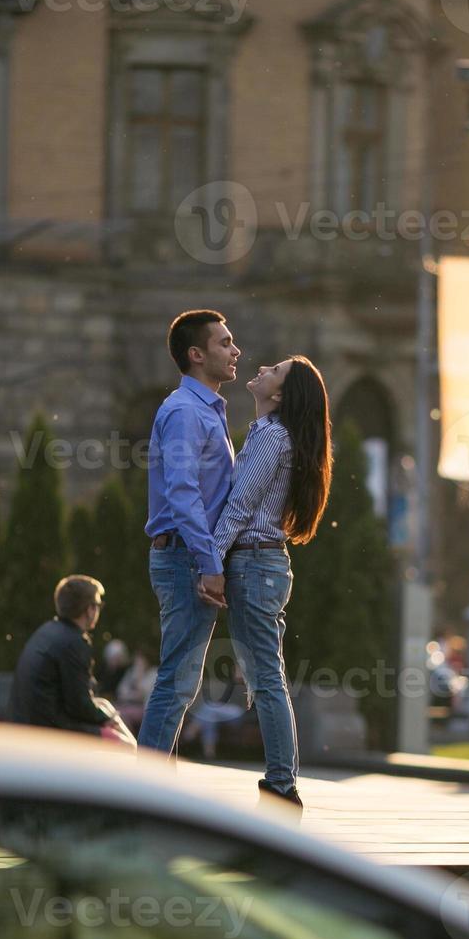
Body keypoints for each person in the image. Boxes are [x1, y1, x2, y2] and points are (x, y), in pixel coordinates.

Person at [208, 354, 333, 815]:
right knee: (265, 679)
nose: (261, 370)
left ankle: (282, 787)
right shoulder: (270, 434)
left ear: (279, 395)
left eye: (274, 372)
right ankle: (281, 783)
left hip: (255, 566)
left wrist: (210, 562)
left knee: (266, 680)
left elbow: (239, 507)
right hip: (263, 567)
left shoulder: (273, 437)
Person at [138, 310, 240, 757]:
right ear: (196, 355)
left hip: (187, 557)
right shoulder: (184, 412)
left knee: (182, 681)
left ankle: (154, 787)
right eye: (224, 343)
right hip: (184, 558)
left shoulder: (206, 410)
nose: (235, 351)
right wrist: (209, 563)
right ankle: (148, 793)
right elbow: (182, 494)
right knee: (178, 680)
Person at [12, 575, 135, 747]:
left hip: (29, 722)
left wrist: (105, 716)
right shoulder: (74, 642)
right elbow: (79, 705)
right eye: (98, 605)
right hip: (49, 730)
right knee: (127, 746)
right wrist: (107, 719)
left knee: (104, 704)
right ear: (89, 610)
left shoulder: (48, 630)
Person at [115, 650, 158, 735]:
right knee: (111, 711)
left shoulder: (154, 673)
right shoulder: (131, 671)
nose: (137, 663)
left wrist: (138, 675)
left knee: (121, 716)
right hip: (127, 705)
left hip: (144, 709)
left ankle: (130, 741)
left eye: (140, 661)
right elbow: (121, 691)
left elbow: (142, 695)